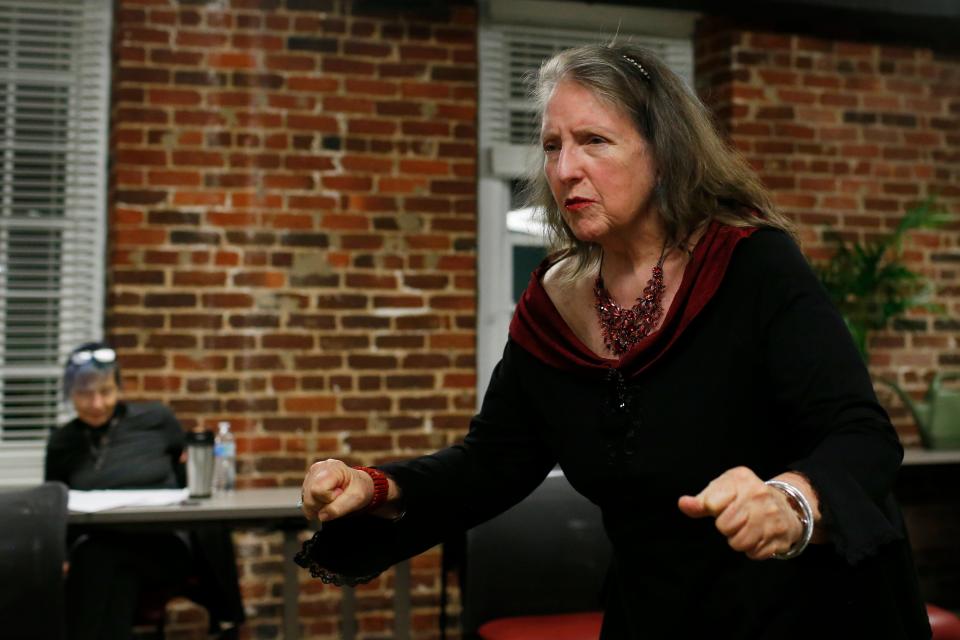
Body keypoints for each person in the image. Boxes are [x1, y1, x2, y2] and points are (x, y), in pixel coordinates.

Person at [294, 44, 931, 639]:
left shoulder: (750, 263)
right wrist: (375, 486)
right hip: (661, 611)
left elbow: (860, 433)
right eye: (551, 146)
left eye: (594, 141)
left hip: (809, 610)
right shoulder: (552, 303)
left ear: (663, 153)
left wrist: (791, 500)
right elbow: (492, 463)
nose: (565, 169)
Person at [45, 342, 244, 640]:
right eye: (85, 394)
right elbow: (53, 505)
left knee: (99, 561)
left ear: (119, 387)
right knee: (107, 568)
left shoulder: (156, 420)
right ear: (69, 394)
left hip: (163, 546)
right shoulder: (63, 442)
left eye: (106, 391)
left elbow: (188, 477)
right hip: (100, 544)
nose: (97, 403)